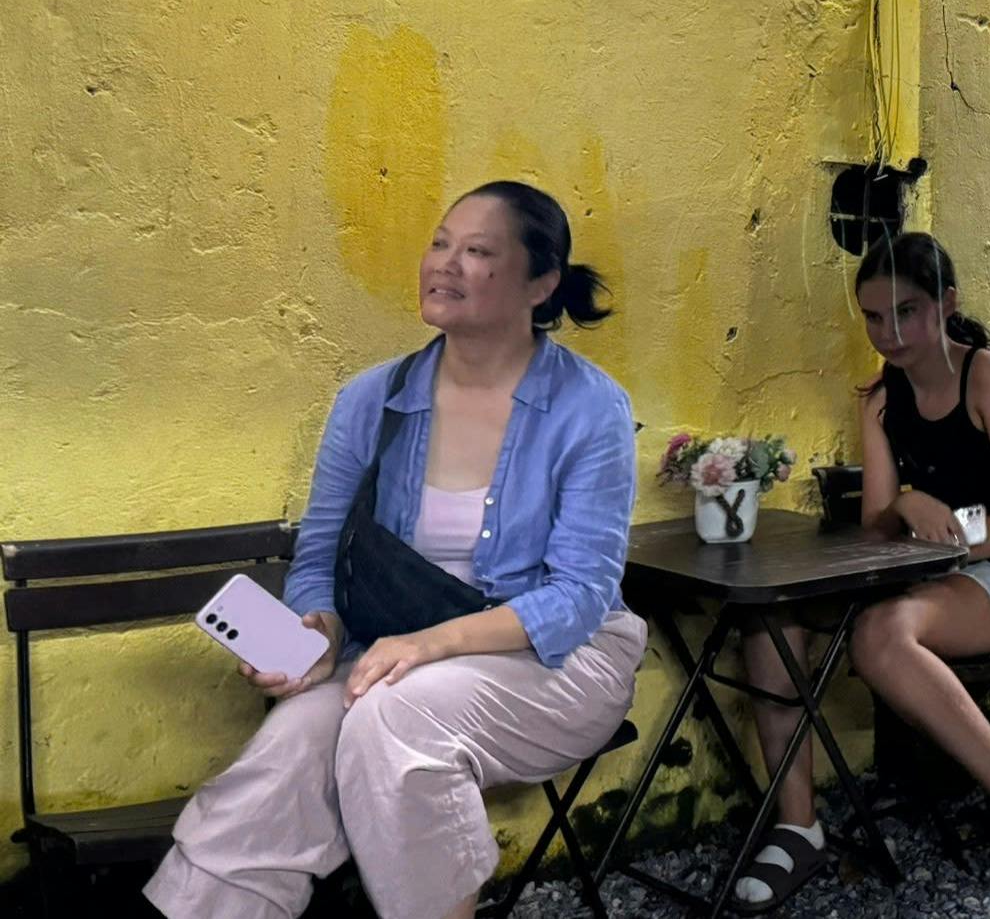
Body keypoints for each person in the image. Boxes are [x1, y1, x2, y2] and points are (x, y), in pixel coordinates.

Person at [146, 183, 644, 919]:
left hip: (558, 660)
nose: (445, 263)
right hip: (390, 655)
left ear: (540, 284)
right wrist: (321, 632)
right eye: (440, 242)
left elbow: (578, 598)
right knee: (286, 752)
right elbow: (321, 554)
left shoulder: (589, 406)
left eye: (477, 251)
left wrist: (429, 643)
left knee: (394, 717)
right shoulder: (369, 399)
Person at [738, 234, 990, 907]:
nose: (889, 332)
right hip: (926, 580)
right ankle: (798, 823)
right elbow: (877, 526)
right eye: (872, 316)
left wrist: (945, 548)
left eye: (908, 311)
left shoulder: (987, 376)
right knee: (766, 618)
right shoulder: (880, 400)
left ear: (946, 304)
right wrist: (904, 501)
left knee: (881, 635)